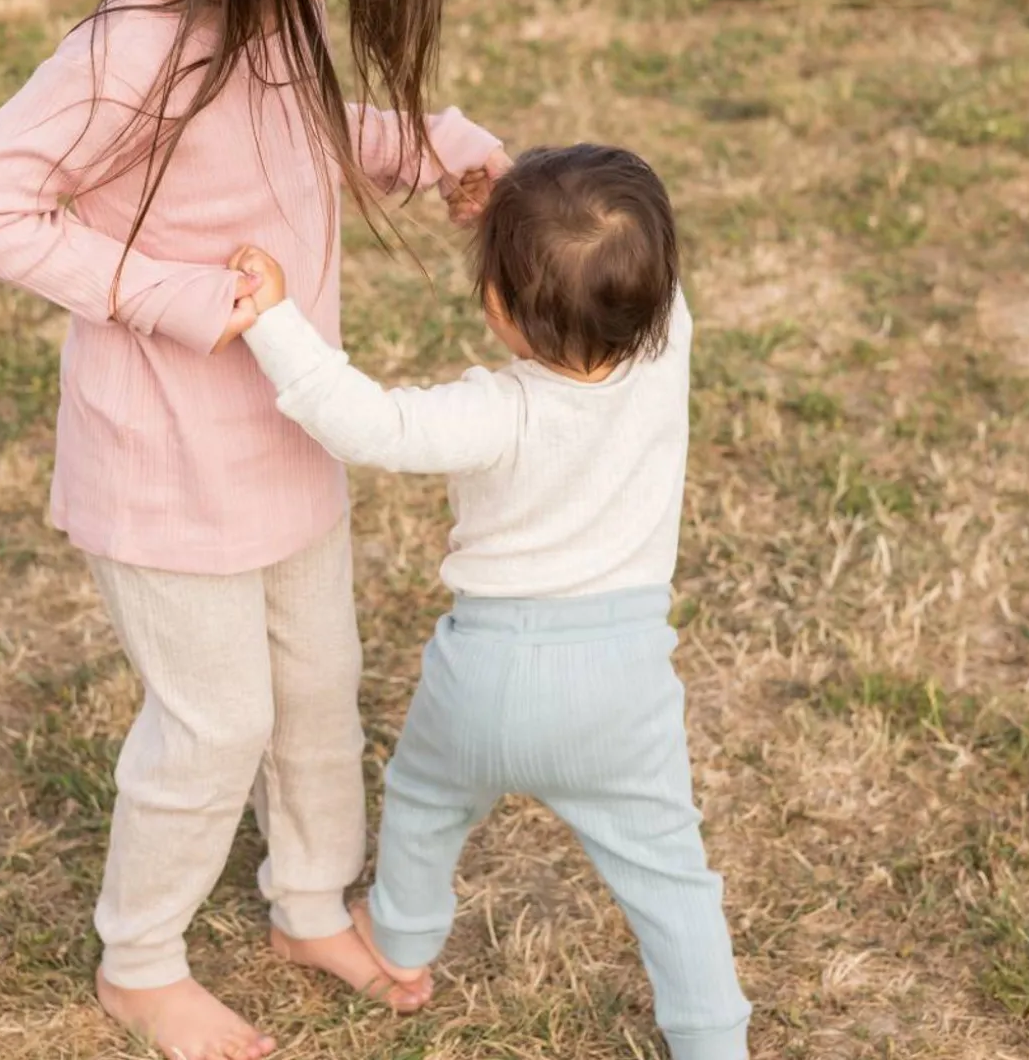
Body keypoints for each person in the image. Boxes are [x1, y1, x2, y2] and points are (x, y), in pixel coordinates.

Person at [0, 0, 509, 1056]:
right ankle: (139, 961)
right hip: (165, 464)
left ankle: (305, 901)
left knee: (315, 689)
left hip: (289, 437)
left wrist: (427, 143)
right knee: (216, 722)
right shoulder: (131, 44)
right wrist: (177, 294)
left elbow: (284, 137)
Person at [234, 144, 754, 1060]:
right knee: (671, 878)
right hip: (621, 682)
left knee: (429, 799)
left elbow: (367, 423)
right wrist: (522, 224)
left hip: (484, 668)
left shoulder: (496, 412)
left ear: (500, 308)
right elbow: (614, 262)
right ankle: (714, 1041)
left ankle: (399, 938)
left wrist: (273, 321)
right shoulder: (667, 342)